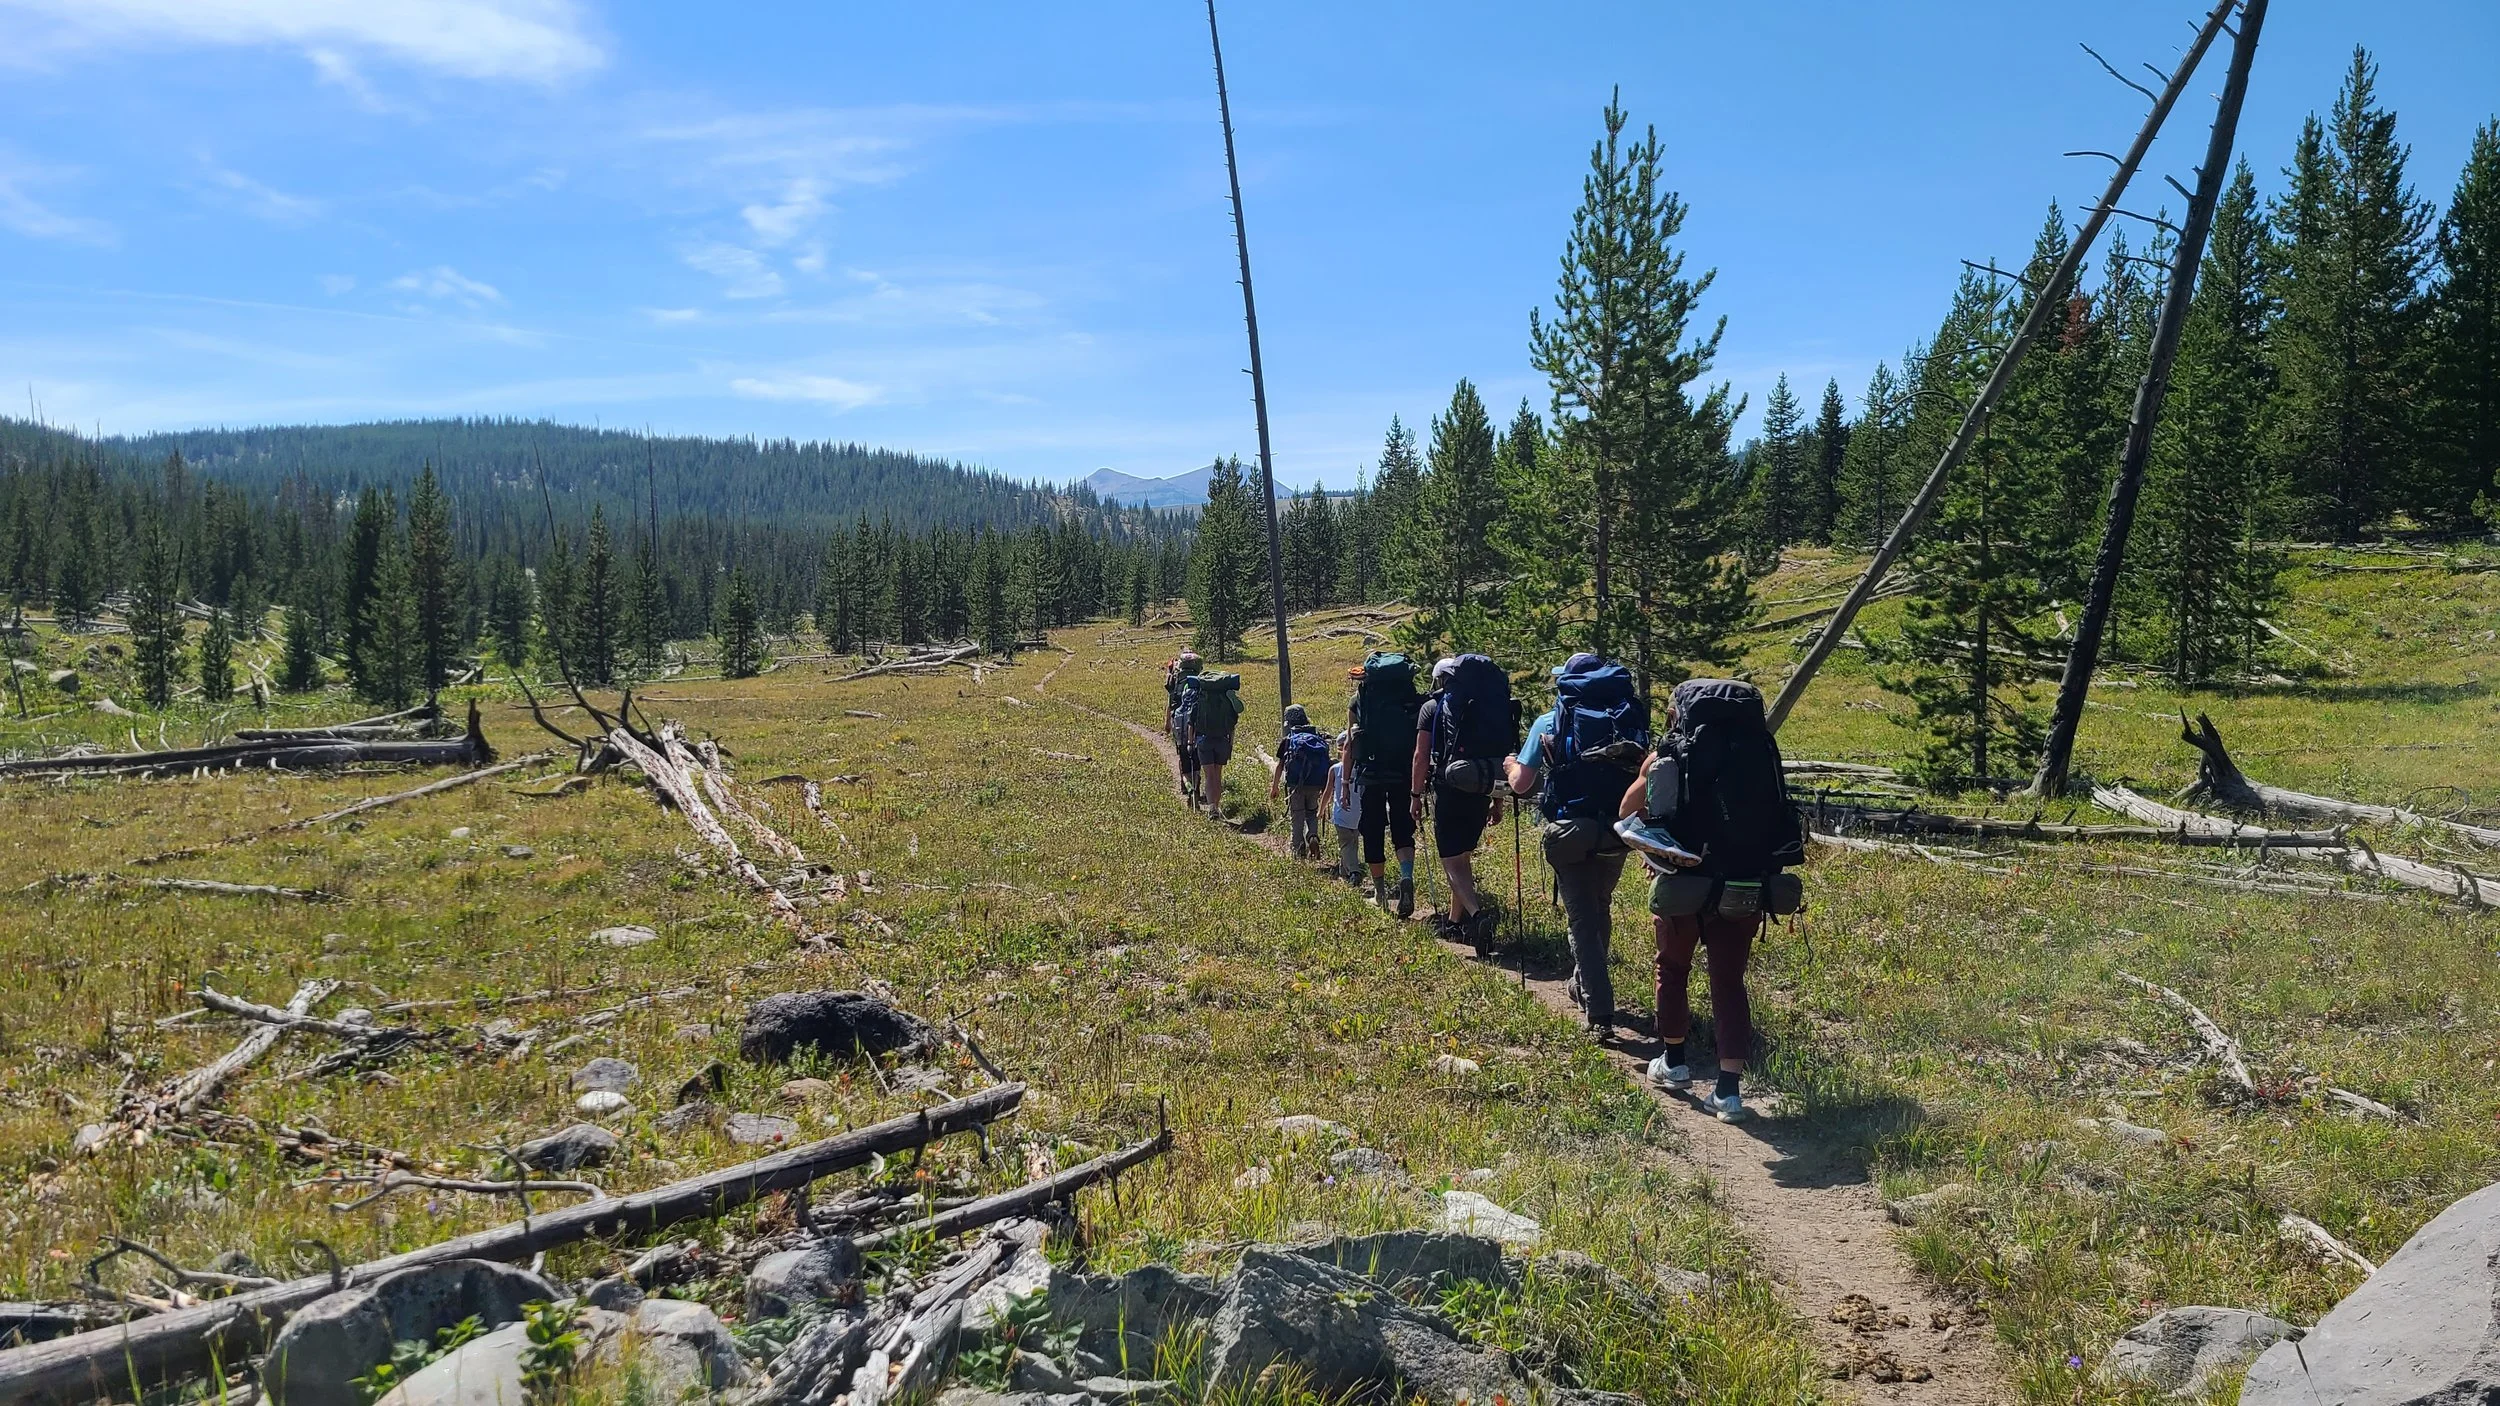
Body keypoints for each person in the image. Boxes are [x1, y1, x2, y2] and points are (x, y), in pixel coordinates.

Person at [1618, 678, 1804, 1123]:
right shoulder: (1760, 751)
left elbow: (1627, 811)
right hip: (1746, 882)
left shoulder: (1670, 753)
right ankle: (1728, 1091)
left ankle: (1674, 1062)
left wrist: (1656, 846)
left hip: (1686, 882)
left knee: (1673, 968)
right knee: (1728, 982)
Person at [1504, 651, 1645, 1036]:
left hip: (1569, 829)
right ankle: (1582, 983)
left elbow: (1521, 784)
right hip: (1617, 829)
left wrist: (1511, 763)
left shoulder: (1551, 720)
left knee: (1582, 917)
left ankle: (1599, 1010)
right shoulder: (1624, 716)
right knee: (1600, 905)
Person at [1412, 654, 1516, 954]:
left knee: (1451, 861)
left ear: (1441, 680)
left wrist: (1415, 795)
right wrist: (1497, 802)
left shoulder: (1433, 707)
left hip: (1450, 787)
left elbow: (1420, 756)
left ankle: (1476, 916)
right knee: (1463, 857)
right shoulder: (1487, 703)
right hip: (1482, 787)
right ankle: (1454, 922)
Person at [1343, 653, 1420, 917]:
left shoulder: (1359, 699)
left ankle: (1379, 894)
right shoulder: (1408, 695)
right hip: (1403, 771)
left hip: (1371, 772)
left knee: (1372, 830)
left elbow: (1350, 744)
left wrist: (1344, 782)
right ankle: (1406, 877)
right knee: (1403, 828)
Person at [1268, 702, 1332, 861]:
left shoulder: (1289, 739)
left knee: (1297, 816)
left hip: (1295, 785)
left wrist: (1275, 787)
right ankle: (1313, 836)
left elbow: (1280, 766)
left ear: (1289, 723)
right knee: (1312, 812)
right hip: (1316, 784)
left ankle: (1297, 850)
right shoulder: (1317, 738)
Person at [1165, 653, 1202, 805]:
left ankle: (1186, 785)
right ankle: (1197, 786)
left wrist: (1167, 722)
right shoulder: (1198, 680)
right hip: (1195, 720)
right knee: (1196, 754)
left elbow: (1171, 701)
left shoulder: (1176, 679)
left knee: (1182, 754)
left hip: (1178, 720)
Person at [1326, 732, 1363, 884]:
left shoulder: (1335, 768)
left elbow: (1328, 792)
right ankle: (1344, 873)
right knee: (1352, 843)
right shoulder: (1362, 768)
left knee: (1346, 844)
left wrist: (1321, 810)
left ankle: (1354, 871)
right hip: (1359, 813)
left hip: (1341, 813)